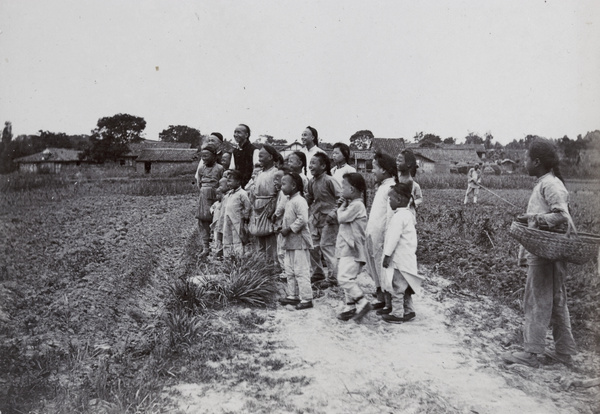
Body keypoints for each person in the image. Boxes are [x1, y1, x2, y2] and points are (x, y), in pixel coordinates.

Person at [502, 139, 576, 368]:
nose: (523, 163)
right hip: (551, 252)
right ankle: (564, 352)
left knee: (535, 300)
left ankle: (531, 353)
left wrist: (533, 219)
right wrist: (533, 219)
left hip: (545, 253)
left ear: (536, 162)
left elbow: (562, 217)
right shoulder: (547, 183)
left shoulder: (550, 184)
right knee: (556, 301)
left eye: (525, 159)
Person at [381, 182, 424, 324]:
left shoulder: (398, 217)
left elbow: (393, 238)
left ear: (398, 200)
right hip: (408, 258)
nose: (389, 201)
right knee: (406, 286)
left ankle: (397, 313)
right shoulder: (408, 215)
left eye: (390, 199)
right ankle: (409, 310)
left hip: (398, 260)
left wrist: (387, 255)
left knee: (396, 287)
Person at [335, 173, 372, 322]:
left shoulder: (357, 205)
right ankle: (350, 306)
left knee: (344, 278)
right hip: (347, 246)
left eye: (344, 186)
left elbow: (341, 218)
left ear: (352, 189)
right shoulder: (353, 204)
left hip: (353, 248)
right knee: (346, 276)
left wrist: (341, 207)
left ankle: (362, 302)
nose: (341, 189)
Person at [364, 151, 397, 310]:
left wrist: (387, 239)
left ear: (383, 170)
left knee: (383, 268)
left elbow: (390, 218)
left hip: (382, 238)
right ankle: (381, 297)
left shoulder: (390, 188)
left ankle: (388, 303)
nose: (372, 171)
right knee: (374, 265)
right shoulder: (383, 187)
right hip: (373, 235)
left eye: (374, 167)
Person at [278, 171, 314, 310]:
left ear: (293, 186)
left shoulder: (300, 201)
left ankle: (306, 298)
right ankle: (292, 295)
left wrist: (289, 229)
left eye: (283, 183)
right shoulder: (289, 200)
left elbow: (303, 219)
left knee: (301, 270)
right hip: (290, 242)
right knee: (290, 269)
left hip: (299, 242)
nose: (281, 186)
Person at [306, 152, 341, 289]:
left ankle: (333, 278)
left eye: (314, 163)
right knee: (313, 247)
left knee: (327, 247)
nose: (310, 166)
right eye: (310, 163)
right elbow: (309, 197)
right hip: (315, 219)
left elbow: (341, 198)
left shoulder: (329, 180)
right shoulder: (311, 182)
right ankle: (318, 273)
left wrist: (334, 213)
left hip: (330, 220)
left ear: (323, 166)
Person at [248, 144, 281, 264]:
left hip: (270, 206)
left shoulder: (276, 173)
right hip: (258, 206)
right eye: (258, 156)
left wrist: (273, 207)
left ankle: (273, 264)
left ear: (271, 157)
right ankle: (262, 265)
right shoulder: (259, 173)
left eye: (262, 156)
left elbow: (278, 192)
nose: (259, 158)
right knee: (258, 235)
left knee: (270, 235)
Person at [196, 143, 224, 255]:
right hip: (203, 196)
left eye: (207, 155)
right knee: (203, 220)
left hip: (216, 197)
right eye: (203, 156)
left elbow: (223, 183)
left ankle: (218, 247)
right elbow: (199, 183)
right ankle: (206, 247)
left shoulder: (220, 168)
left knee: (217, 220)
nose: (204, 158)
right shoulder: (201, 169)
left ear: (214, 156)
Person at [222, 170, 252, 258]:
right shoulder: (229, 194)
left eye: (230, 181)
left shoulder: (242, 194)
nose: (228, 183)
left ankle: (239, 258)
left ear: (238, 181)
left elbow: (247, 206)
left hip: (237, 222)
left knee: (237, 239)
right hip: (228, 220)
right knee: (227, 237)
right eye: (227, 181)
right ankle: (228, 257)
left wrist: (245, 218)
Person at [396, 149, 423, 216]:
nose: (397, 162)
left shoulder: (411, 183)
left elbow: (420, 198)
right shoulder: (396, 177)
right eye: (396, 160)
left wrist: (413, 202)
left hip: (405, 211)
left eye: (399, 161)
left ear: (408, 164)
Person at [210, 177, 229, 257]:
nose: (218, 196)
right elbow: (211, 209)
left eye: (219, 194)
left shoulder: (226, 200)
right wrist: (212, 211)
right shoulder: (216, 203)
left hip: (223, 222)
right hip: (217, 223)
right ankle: (218, 251)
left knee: (223, 237)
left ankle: (222, 252)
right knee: (216, 237)